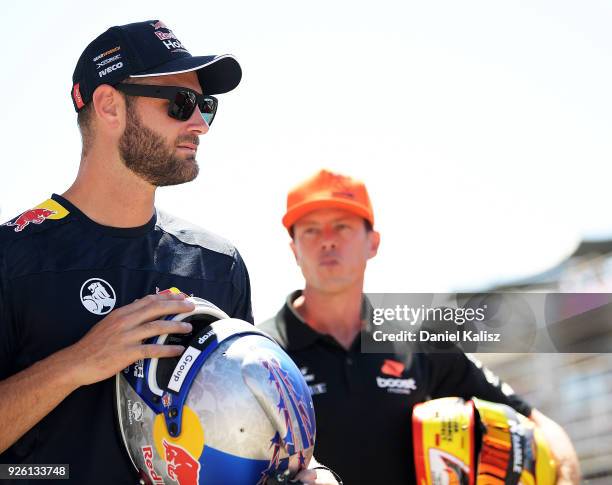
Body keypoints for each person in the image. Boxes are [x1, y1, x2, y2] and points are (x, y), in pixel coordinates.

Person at [0, 20, 331, 485]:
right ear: (109, 105)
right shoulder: (12, 257)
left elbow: (251, 428)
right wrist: (77, 363)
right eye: (181, 104)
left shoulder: (217, 265)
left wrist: (309, 474)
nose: (200, 124)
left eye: (206, 107)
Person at [259, 169, 581, 485]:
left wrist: (565, 477)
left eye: (341, 227)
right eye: (311, 230)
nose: (327, 240)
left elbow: (539, 424)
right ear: (294, 250)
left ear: (373, 243)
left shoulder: (417, 339)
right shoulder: (263, 353)